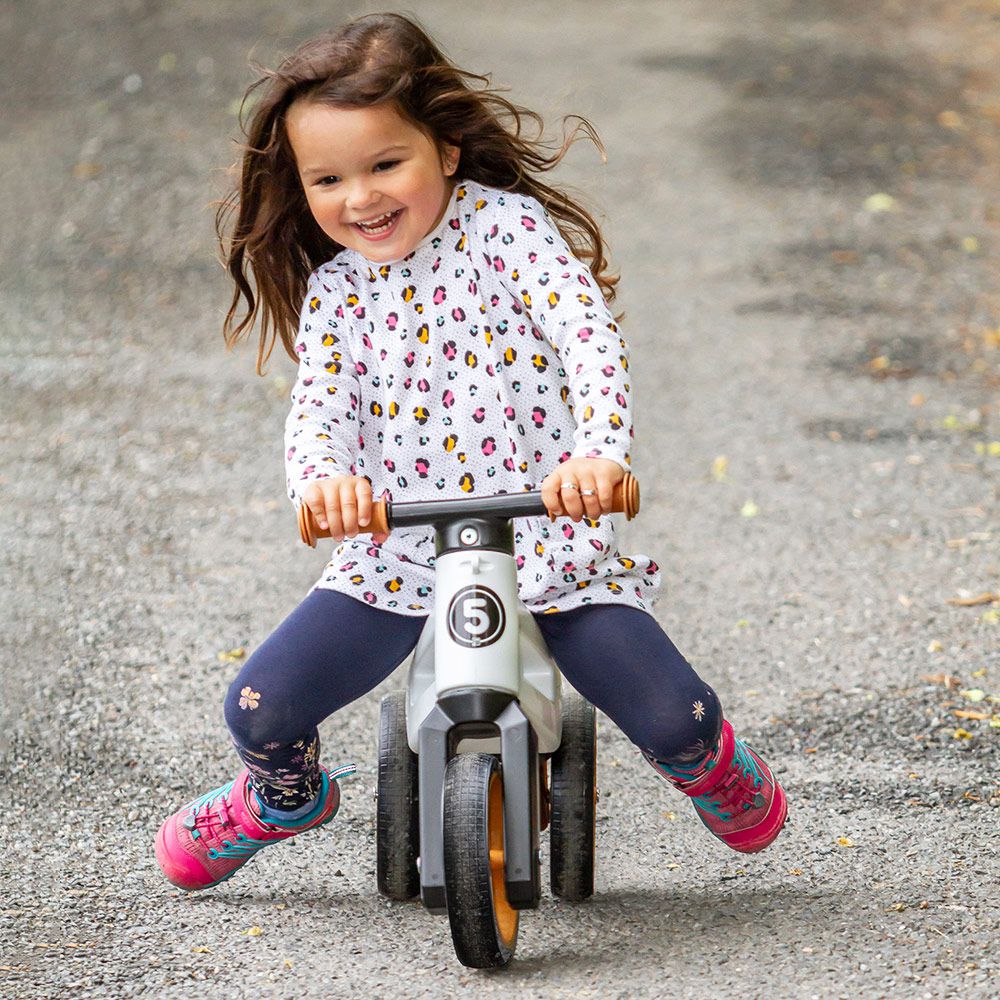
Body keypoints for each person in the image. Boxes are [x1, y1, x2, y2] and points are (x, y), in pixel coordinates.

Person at [154, 12, 787, 892]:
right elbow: (321, 408)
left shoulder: (507, 232)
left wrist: (597, 454)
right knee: (260, 704)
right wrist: (325, 482)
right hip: (402, 550)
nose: (361, 198)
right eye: (328, 179)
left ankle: (709, 762)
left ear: (445, 149)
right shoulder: (338, 291)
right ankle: (284, 794)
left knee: (674, 717)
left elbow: (586, 336)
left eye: (385, 165)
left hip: (548, 541)